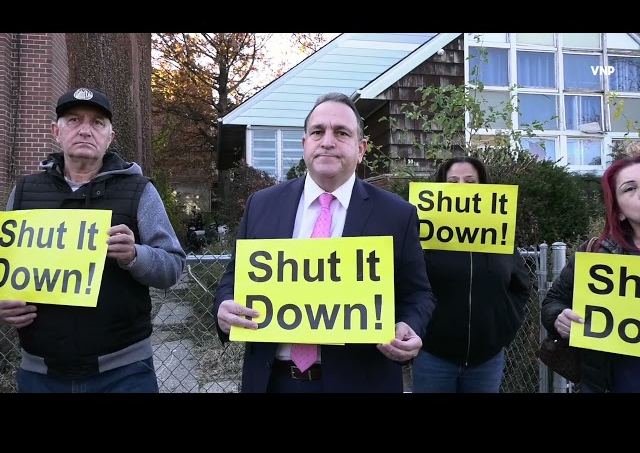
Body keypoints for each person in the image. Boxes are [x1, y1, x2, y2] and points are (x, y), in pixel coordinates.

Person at [213, 92, 436, 393]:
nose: (327, 141)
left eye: (341, 133)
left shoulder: (398, 214)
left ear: (361, 149)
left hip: (362, 383)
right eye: (318, 132)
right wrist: (224, 307)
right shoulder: (261, 205)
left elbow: (419, 294)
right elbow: (233, 278)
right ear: (305, 144)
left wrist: (410, 325)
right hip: (272, 381)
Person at [0, 87, 186, 393]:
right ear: (56, 132)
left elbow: (172, 267)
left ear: (110, 137)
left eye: (97, 122)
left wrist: (135, 256)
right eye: (73, 120)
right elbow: (5, 268)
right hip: (40, 372)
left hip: (124, 372)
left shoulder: (139, 191)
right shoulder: (23, 193)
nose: (85, 129)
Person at [411, 156, 531, 393]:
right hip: (433, 356)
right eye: (453, 181)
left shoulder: (499, 237)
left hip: (486, 360)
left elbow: (521, 286)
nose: (462, 187)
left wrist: (502, 331)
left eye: (470, 180)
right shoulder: (422, 237)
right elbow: (410, 286)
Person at [541, 154, 640, 393]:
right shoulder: (596, 254)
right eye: (630, 188)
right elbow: (553, 301)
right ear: (619, 212)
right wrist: (559, 318)